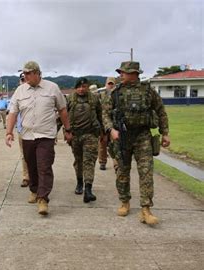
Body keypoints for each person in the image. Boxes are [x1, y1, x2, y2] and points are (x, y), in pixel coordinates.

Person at [103, 61, 170, 226]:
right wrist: (111, 129)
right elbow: (105, 113)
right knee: (122, 172)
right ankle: (124, 202)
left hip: (143, 136)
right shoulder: (115, 93)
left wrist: (165, 133)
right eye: (120, 72)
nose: (121, 75)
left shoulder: (148, 91)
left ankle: (146, 209)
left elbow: (161, 111)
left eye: (123, 73)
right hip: (122, 138)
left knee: (146, 172)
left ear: (134, 73)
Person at [6, 61, 72, 216]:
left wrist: (67, 130)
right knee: (32, 166)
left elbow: (62, 110)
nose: (25, 76)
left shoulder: (52, 88)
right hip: (27, 136)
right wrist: (9, 132)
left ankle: (43, 199)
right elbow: (13, 112)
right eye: (24, 74)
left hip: (46, 135)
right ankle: (34, 190)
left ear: (37, 73)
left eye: (28, 73)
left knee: (44, 166)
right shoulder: (20, 91)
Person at [67, 77, 102, 203]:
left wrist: (103, 133)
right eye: (79, 87)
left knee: (89, 161)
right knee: (79, 161)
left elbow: (100, 115)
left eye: (84, 87)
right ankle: (79, 183)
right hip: (75, 135)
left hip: (90, 134)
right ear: (76, 88)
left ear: (88, 87)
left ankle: (88, 189)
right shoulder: (70, 99)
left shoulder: (94, 99)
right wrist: (64, 132)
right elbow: (63, 116)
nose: (81, 89)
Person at [98, 77, 117, 171]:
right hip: (103, 123)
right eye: (109, 83)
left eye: (112, 84)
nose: (110, 85)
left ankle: (116, 164)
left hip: (115, 124)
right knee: (103, 144)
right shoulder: (101, 95)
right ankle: (102, 162)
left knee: (115, 144)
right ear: (106, 84)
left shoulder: (118, 95)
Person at [16, 73, 29, 187]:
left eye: (26, 79)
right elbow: (12, 112)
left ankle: (38, 176)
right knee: (24, 155)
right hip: (22, 130)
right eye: (22, 80)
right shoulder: (17, 95)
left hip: (37, 130)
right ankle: (26, 177)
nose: (24, 82)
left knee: (37, 156)